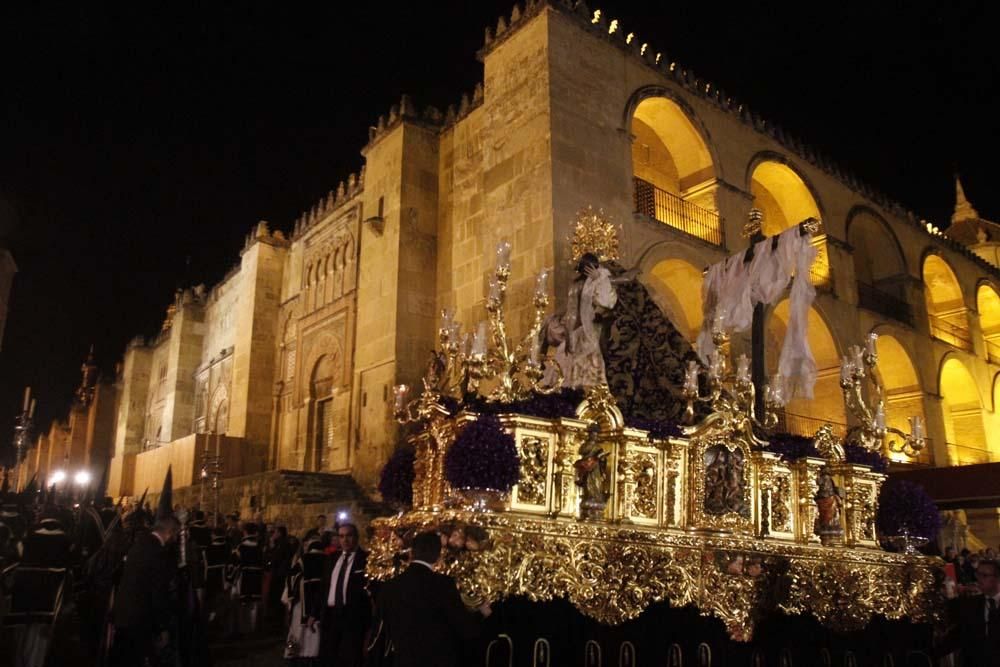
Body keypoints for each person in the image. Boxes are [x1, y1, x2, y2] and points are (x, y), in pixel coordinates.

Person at [377, 531, 490, 667]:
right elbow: (464, 628)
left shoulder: (390, 586)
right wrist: (482, 613)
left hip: (403, 660)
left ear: (412, 552)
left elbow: (384, 627)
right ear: (438, 555)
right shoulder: (443, 584)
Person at [110, 514, 181, 666]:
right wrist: (163, 627)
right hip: (140, 618)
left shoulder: (140, 543)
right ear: (169, 532)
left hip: (123, 614)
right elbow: (158, 592)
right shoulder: (159, 553)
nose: (176, 539)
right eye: (176, 534)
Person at [318, 522, 369, 665]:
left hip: (353, 614)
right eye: (341, 536)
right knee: (329, 654)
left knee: (351, 656)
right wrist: (314, 613)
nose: (345, 540)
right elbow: (324, 587)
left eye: (349, 536)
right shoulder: (332, 558)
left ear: (356, 537)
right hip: (330, 614)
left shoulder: (366, 559)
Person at [938, 559, 1000, 665]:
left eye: (984, 575)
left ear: (998, 578)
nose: (979, 579)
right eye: (978, 574)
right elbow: (958, 636)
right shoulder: (969, 604)